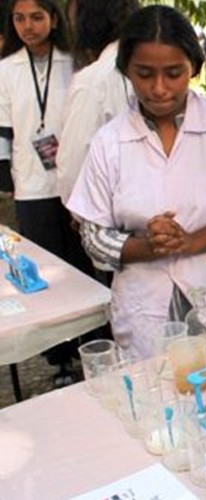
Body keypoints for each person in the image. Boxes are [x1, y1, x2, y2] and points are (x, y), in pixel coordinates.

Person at [66, 5, 206, 360]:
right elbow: (93, 235)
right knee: (162, 400)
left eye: (173, 73)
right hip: (147, 306)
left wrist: (191, 241)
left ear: (195, 68)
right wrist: (152, 246)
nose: (158, 89)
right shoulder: (109, 141)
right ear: (126, 71)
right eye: (144, 74)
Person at [0, 0, 88, 385]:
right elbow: (2, 130)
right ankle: (62, 360)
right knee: (47, 275)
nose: (27, 26)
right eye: (19, 18)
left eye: (36, 16)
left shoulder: (77, 62)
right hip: (32, 184)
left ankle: (97, 342)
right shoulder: (5, 69)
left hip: (76, 181)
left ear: (53, 19)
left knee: (83, 265)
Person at [57, 0, 140, 206]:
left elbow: (73, 165)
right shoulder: (153, 58)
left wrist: (81, 213)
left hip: (113, 214)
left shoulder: (94, 80)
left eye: (72, 21)